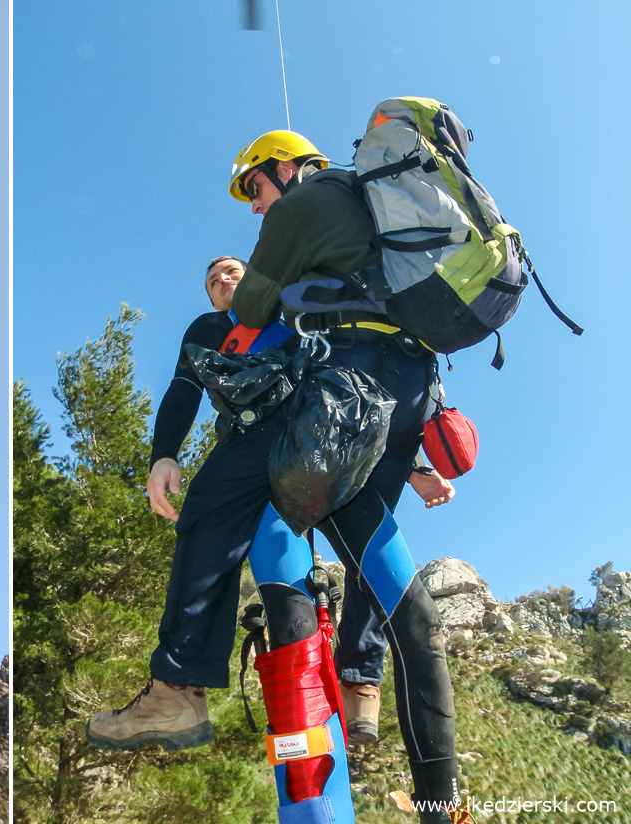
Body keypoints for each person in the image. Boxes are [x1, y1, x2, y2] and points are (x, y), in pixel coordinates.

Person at [87, 256, 455, 823]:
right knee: (298, 605)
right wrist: (164, 452)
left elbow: (344, 370)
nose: (222, 281)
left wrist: (408, 469)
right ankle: (361, 743)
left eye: (231, 271)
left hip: (311, 438)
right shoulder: (209, 331)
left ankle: (183, 688)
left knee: (213, 522)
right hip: (295, 448)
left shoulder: (291, 303)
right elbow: (183, 390)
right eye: (212, 279)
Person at [227, 130, 470, 823]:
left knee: (292, 616)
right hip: (403, 395)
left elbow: (248, 311)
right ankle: (442, 809)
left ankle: (314, 811)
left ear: (285, 167)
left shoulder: (300, 206)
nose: (254, 207)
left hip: (339, 420)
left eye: (254, 187)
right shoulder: (374, 207)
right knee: (416, 626)